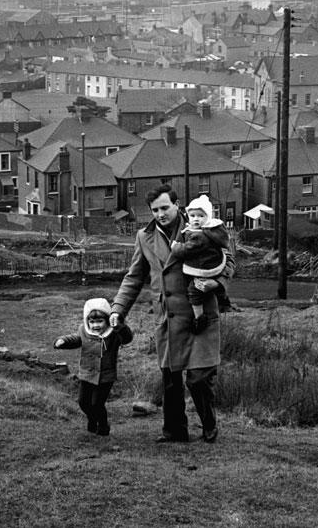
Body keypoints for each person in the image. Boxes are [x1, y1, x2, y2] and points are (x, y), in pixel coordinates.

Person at [109, 184, 235, 444]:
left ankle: (209, 424)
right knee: (171, 378)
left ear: (177, 206)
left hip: (199, 312)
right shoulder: (144, 237)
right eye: (155, 210)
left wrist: (217, 283)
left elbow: (229, 260)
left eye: (165, 207)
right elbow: (134, 277)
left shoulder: (201, 226)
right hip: (167, 316)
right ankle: (175, 431)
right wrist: (118, 309)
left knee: (199, 378)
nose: (160, 214)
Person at [54, 297, 134, 437]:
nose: (95, 325)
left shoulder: (114, 334)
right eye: (92, 321)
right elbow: (75, 339)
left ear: (107, 320)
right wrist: (62, 341)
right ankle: (92, 419)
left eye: (99, 321)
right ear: (87, 321)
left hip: (105, 376)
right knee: (83, 403)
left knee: (97, 404)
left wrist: (120, 326)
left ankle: (103, 426)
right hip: (87, 373)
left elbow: (127, 338)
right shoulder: (83, 331)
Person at [170, 195, 233, 334]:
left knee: (194, 291)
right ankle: (222, 301)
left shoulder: (201, 235)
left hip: (204, 268)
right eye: (192, 215)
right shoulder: (201, 231)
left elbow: (187, 249)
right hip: (205, 267)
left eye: (200, 216)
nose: (196, 219)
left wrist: (175, 247)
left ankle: (199, 317)